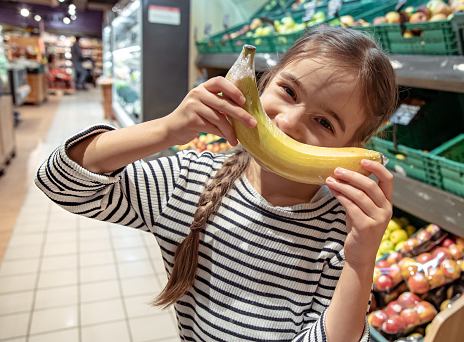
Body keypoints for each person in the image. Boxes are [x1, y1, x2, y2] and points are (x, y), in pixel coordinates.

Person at [35, 26, 398, 341]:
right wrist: (165, 129)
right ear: (263, 83)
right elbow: (60, 180)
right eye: (288, 92)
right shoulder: (190, 182)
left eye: (324, 123)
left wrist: (360, 261)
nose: (287, 122)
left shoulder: (343, 232)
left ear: (350, 150)